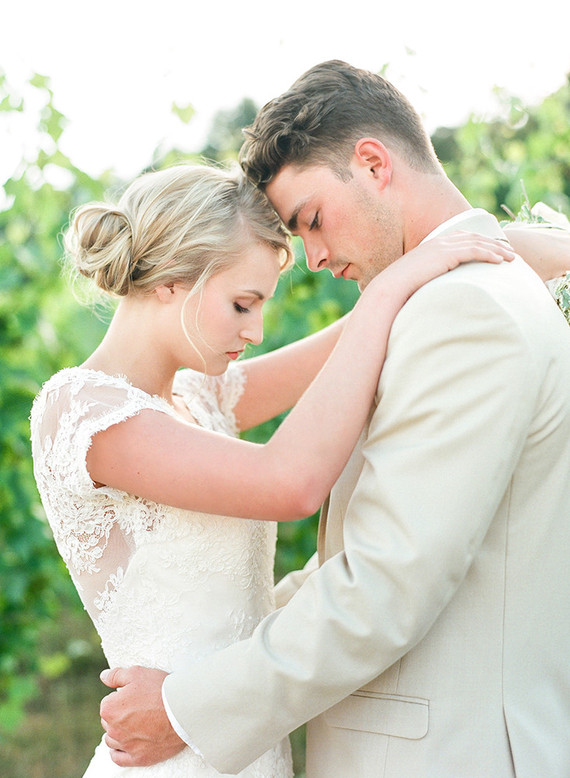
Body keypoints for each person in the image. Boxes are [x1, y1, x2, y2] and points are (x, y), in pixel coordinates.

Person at [98, 64, 570, 777]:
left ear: (374, 164)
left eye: (313, 219)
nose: (315, 258)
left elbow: (384, 585)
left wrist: (188, 706)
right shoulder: (453, 299)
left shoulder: (465, 311)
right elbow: (376, 542)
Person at [29, 162, 513, 778]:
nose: (255, 332)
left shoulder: (198, 398)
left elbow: (342, 343)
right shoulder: (86, 413)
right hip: (170, 759)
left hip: (239, 741)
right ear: (172, 281)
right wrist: (392, 288)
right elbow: (292, 483)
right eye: (242, 304)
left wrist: (489, 251)